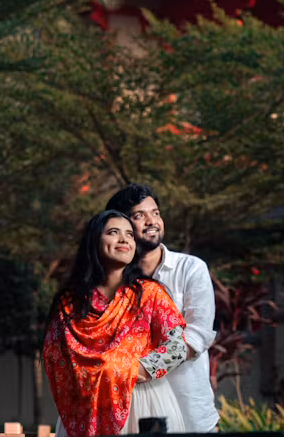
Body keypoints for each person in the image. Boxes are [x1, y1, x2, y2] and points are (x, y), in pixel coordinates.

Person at [43, 210, 189, 437]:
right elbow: (54, 355)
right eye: (114, 232)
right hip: (84, 405)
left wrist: (126, 369)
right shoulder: (70, 303)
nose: (124, 240)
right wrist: (91, 374)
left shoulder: (149, 294)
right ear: (94, 241)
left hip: (140, 401)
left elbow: (177, 347)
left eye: (130, 235)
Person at [106, 184, 220, 433]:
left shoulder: (190, 268)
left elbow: (196, 337)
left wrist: (140, 369)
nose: (152, 221)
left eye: (155, 213)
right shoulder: (111, 280)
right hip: (127, 414)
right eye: (139, 216)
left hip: (188, 410)